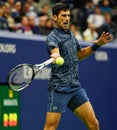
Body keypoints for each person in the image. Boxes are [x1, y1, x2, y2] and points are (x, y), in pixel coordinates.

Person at [44, 3, 113, 130]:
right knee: (50, 127)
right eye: (63, 15)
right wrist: (56, 56)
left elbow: (80, 55)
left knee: (94, 124)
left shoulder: (71, 35)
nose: (66, 19)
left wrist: (97, 44)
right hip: (59, 88)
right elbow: (55, 51)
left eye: (68, 16)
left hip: (75, 88)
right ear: (55, 17)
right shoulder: (52, 37)